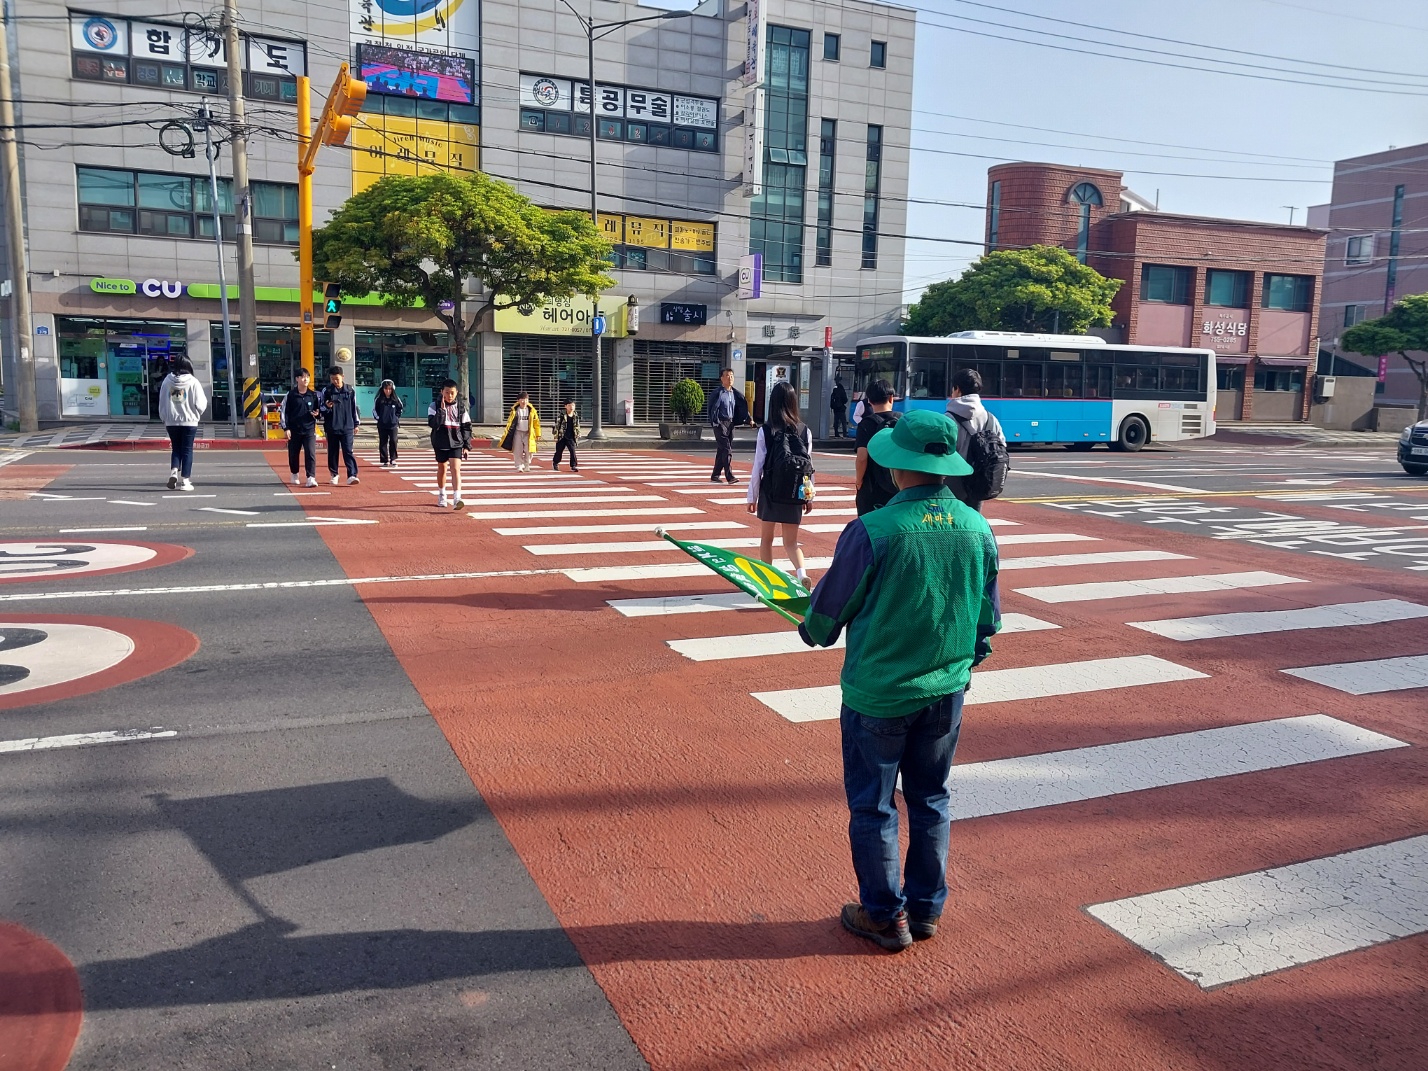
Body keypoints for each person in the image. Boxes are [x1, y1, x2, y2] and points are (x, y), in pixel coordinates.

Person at [799, 409, 1001, 952]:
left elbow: (824, 619)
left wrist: (809, 623)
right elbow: (988, 622)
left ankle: (885, 914)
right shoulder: (977, 527)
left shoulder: (873, 530)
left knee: (874, 803)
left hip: (879, 694)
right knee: (931, 797)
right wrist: (958, 666)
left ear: (896, 468)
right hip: (946, 691)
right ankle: (927, 907)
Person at [746, 380, 814, 585]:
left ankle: (768, 580)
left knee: (767, 539)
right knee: (791, 542)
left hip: (771, 492)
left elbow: (758, 466)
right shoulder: (804, 431)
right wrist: (808, 497)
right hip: (795, 492)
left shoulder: (766, 430)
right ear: (794, 402)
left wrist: (752, 496)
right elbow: (808, 468)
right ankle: (802, 574)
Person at [945, 367, 1006, 512]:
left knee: (952, 522)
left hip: (953, 482)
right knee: (973, 522)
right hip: (980, 480)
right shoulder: (991, 418)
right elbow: (1001, 445)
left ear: (957, 389)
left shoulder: (948, 419)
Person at [158, 355, 208, 492]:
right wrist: (197, 413)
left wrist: (164, 417)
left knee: (176, 448)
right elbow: (201, 403)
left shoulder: (167, 381)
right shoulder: (193, 382)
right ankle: (185, 480)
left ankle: (174, 472)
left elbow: (162, 402)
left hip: (171, 421)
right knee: (187, 450)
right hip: (189, 421)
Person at [853, 378, 900, 516]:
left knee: (870, 527)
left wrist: (859, 481)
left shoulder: (866, 424)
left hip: (872, 486)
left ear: (869, 401)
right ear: (891, 398)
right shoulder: (902, 421)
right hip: (899, 485)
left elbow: (862, 458)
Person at [427, 378, 470, 510]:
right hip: (440, 441)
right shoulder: (433, 406)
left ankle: (457, 498)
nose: (449, 396)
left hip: (456, 442)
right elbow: (433, 424)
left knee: (455, 468)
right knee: (442, 468)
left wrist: (467, 445)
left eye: (452, 392)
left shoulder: (461, 408)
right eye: (447, 392)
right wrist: (441, 411)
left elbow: (467, 427)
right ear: (442, 392)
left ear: (456, 392)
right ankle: (442, 494)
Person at [706, 367, 751, 484]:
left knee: (722, 450)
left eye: (731, 376)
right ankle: (729, 476)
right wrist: (715, 422)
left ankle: (715, 475)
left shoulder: (735, 394)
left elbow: (742, 409)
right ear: (721, 378)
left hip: (730, 423)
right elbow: (711, 409)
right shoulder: (717, 393)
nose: (730, 378)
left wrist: (749, 420)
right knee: (727, 449)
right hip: (720, 423)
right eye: (727, 375)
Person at [279, 368, 322, 487]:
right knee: (293, 453)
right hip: (294, 430)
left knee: (310, 453)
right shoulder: (291, 395)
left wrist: (317, 414)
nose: (306, 379)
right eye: (303, 377)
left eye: (308, 377)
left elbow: (319, 412)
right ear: (297, 379)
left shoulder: (313, 395)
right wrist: (286, 428)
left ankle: (311, 477)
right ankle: (294, 473)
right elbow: (284, 412)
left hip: (309, 429)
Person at [320, 365, 361, 485]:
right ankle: (334, 474)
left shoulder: (350, 390)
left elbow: (354, 408)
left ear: (342, 377)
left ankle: (352, 475)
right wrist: (327, 406)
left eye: (337, 379)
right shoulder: (326, 391)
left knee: (348, 451)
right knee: (333, 452)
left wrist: (356, 424)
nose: (335, 381)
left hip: (347, 426)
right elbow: (321, 408)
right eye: (332, 379)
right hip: (332, 426)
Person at [501, 391, 541, 472]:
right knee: (517, 450)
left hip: (528, 433)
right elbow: (510, 423)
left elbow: (536, 423)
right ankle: (519, 466)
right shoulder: (515, 410)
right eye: (522, 399)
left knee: (529, 450)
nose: (524, 401)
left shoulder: (532, 410)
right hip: (518, 432)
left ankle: (527, 464)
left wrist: (538, 434)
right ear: (518, 401)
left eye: (526, 399)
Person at [373, 379, 404, 467]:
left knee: (393, 441)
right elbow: (375, 411)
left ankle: (393, 459)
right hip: (382, 425)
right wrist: (380, 418)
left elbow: (400, 409)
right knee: (383, 442)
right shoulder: (378, 400)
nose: (388, 391)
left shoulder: (396, 399)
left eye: (390, 389)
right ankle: (384, 459)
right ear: (382, 389)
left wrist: (396, 418)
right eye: (386, 389)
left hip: (393, 424)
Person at [552, 400, 580, 472]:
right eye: (570, 405)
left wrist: (578, 433)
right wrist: (555, 436)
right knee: (559, 451)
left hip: (571, 436)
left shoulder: (575, 415)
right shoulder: (561, 414)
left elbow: (577, 425)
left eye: (573, 405)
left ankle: (573, 465)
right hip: (562, 436)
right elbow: (556, 426)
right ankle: (555, 462)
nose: (572, 407)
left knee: (572, 451)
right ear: (565, 406)